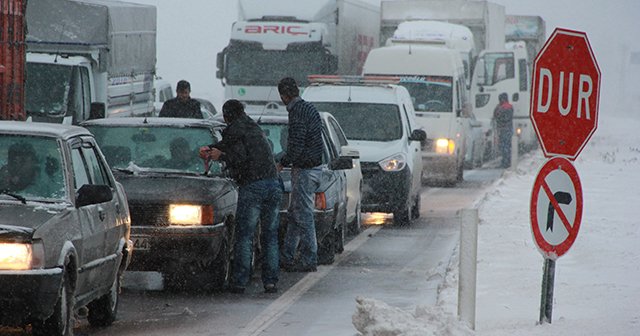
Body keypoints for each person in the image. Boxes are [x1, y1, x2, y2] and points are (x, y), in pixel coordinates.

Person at [199, 99, 282, 294]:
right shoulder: (253, 127)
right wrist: (214, 148)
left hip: (253, 185)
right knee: (270, 236)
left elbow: (238, 155)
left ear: (227, 115)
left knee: (245, 235)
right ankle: (271, 281)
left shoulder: (234, 129)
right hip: (273, 184)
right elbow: (231, 145)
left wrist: (221, 155)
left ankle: (239, 281)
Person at [276, 77, 324, 272]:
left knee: (303, 215)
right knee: (295, 213)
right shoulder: (309, 108)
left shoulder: (297, 112)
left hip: (304, 169)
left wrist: (283, 162)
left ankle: (309, 258)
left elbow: (296, 143)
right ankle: (287, 255)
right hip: (314, 167)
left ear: (284, 95)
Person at [493, 92, 514, 168]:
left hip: (502, 129)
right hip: (509, 128)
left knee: (503, 146)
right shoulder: (510, 107)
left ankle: (505, 162)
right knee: (508, 146)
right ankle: (508, 161)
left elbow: (496, 115)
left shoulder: (500, 108)